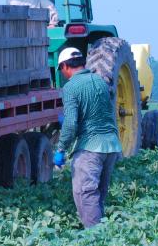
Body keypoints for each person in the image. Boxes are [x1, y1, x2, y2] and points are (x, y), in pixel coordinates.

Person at [54, 47, 122, 228]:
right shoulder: (100, 81)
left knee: (85, 194)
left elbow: (70, 125)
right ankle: (103, 234)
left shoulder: (71, 87)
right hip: (111, 146)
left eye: (61, 69)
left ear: (65, 66)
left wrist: (60, 149)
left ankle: (95, 238)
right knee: (98, 194)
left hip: (90, 148)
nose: (62, 73)